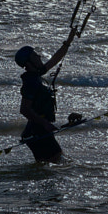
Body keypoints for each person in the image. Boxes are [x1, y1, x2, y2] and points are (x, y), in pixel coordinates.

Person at [14, 26, 79, 163]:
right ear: (29, 63)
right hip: (37, 133)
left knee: (47, 167)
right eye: (34, 55)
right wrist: (45, 123)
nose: (38, 56)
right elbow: (24, 109)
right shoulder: (31, 82)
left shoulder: (36, 74)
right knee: (60, 163)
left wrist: (69, 39)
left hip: (37, 131)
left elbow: (56, 58)